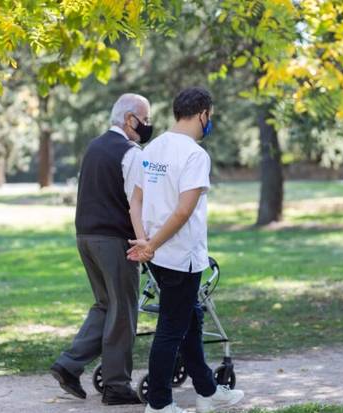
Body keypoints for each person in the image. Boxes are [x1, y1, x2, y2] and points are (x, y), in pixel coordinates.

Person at [127, 87, 244, 413]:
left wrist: (146, 244)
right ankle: (160, 403)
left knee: (190, 319)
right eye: (211, 117)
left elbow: (134, 202)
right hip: (180, 257)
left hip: (158, 256)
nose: (210, 122)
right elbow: (183, 211)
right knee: (170, 330)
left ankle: (207, 391)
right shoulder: (194, 155)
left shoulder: (151, 148)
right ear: (203, 113)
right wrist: (149, 245)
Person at [50, 93, 153, 406]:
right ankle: (116, 385)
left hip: (86, 236)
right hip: (115, 240)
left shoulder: (94, 147)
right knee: (123, 311)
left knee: (106, 305)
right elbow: (136, 203)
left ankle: (68, 365)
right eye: (145, 119)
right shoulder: (131, 152)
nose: (148, 126)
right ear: (129, 119)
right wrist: (145, 244)